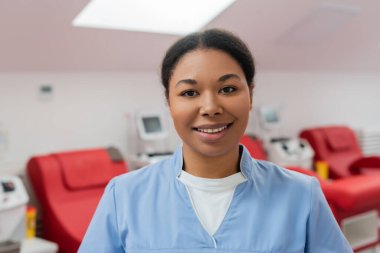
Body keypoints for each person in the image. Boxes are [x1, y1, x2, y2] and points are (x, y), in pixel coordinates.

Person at [78, 29, 353, 253]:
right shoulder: (124, 196)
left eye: (228, 89)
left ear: (251, 95)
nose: (210, 107)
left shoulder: (301, 195)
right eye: (189, 93)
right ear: (168, 102)